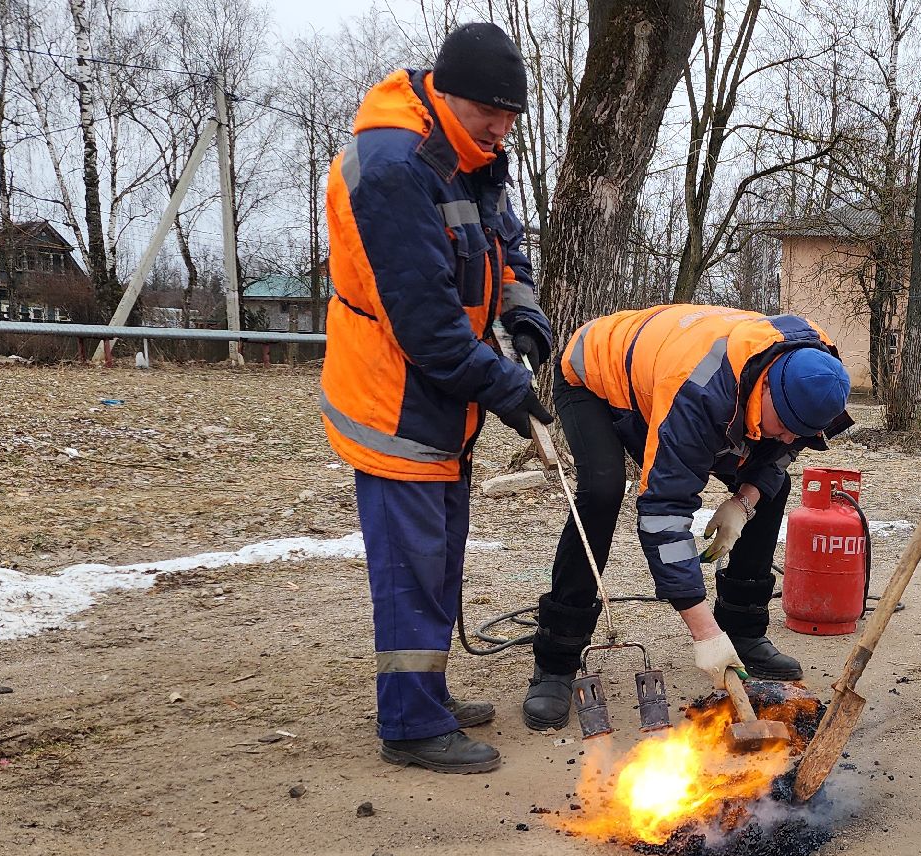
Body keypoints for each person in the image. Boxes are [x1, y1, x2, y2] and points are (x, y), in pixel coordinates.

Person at [321, 22, 557, 775]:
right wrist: (508, 389)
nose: (504, 128)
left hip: (443, 395)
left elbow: (503, 244)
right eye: (494, 112)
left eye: (513, 115)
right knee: (412, 564)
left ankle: (426, 693)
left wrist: (523, 313)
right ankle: (412, 725)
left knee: (442, 553)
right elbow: (425, 325)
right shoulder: (395, 166)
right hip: (397, 394)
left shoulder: (469, 152)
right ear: (449, 94)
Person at [521, 305, 852, 729]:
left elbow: (785, 448)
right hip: (597, 380)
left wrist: (744, 502)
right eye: (786, 424)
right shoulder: (698, 392)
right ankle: (556, 657)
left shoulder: (820, 369)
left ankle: (743, 630)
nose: (790, 437)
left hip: (679, 381)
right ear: (767, 387)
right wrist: (703, 633)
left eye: (802, 430)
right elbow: (663, 513)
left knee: (774, 488)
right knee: (603, 492)